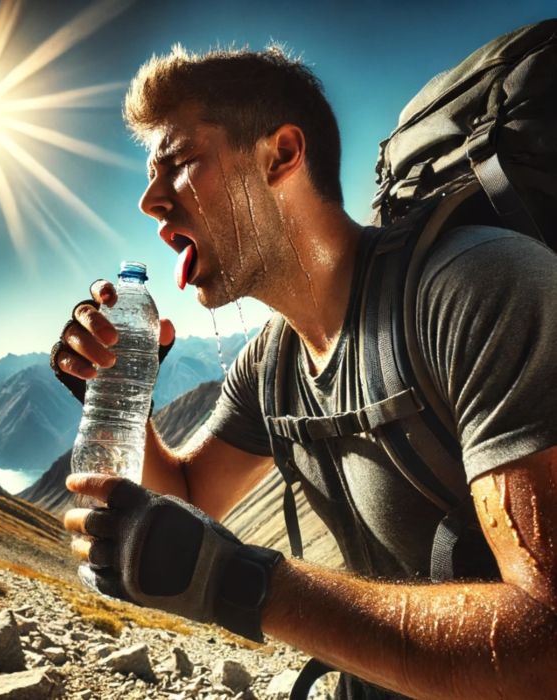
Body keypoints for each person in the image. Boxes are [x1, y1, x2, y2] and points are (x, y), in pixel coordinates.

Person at [52, 46, 557, 699]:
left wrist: (246, 585)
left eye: (178, 164)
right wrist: (123, 400)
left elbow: (546, 643)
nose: (151, 202)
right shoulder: (272, 362)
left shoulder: (477, 289)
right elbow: (188, 497)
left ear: (282, 155)